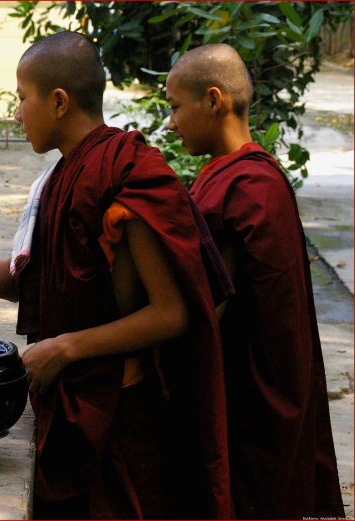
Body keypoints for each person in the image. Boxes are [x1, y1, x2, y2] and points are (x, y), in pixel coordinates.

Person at [0, 32, 231, 519]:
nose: (16, 112)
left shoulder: (128, 173)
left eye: (22, 98)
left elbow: (172, 313)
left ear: (58, 102)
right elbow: (22, 284)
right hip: (69, 397)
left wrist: (67, 346)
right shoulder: (57, 180)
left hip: (120, 405)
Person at [166, 42, 345, 519]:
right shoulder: (230, 176)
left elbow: (214, 307)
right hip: (247, 389)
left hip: (256, 400)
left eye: (175, 107)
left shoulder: (253, 186)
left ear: (213, 99)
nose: (170, 122)